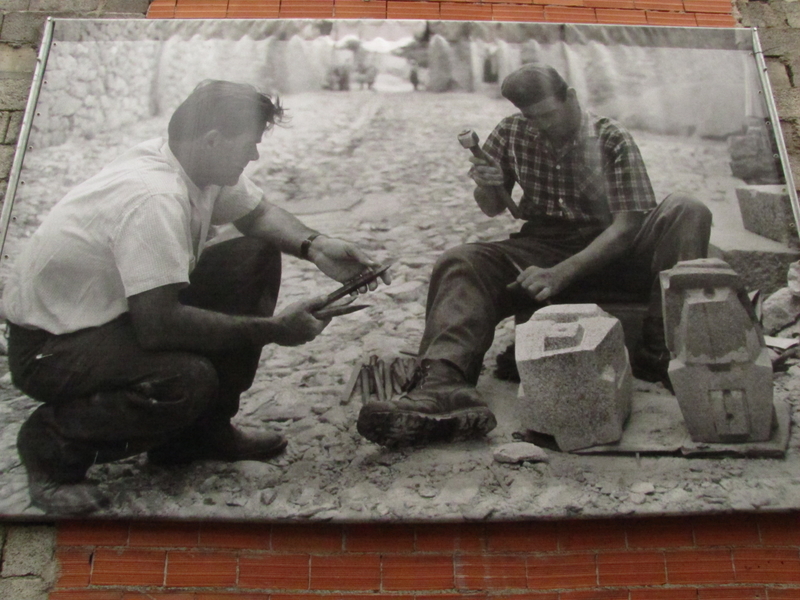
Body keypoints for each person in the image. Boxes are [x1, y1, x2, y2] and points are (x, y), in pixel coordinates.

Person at [3, 80, 388, 514]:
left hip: (113, 315)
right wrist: (276, 331)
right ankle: (51, 448)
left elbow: (258, 214)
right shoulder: (154, 196)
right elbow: (158, 325)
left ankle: (200, 433)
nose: (254, 156)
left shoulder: (195, 164)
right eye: (250, 145)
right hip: (51, 346)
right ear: (212, 140)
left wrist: (316, 245)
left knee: (252, 256)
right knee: (186, 380)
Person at [356, 64, 712, 448]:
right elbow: (492, 208)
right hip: (544, 244)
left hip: (616, 252)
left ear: (570, 97)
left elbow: (626, 228)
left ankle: (663, 354)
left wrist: (561, 273)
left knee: (688, 210)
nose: (540, 125)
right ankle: (444, 384)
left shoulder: (611, 138)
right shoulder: (512, 132)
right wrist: (488, 186)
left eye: (548, 115)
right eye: (531, 117)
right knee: (461, 260)